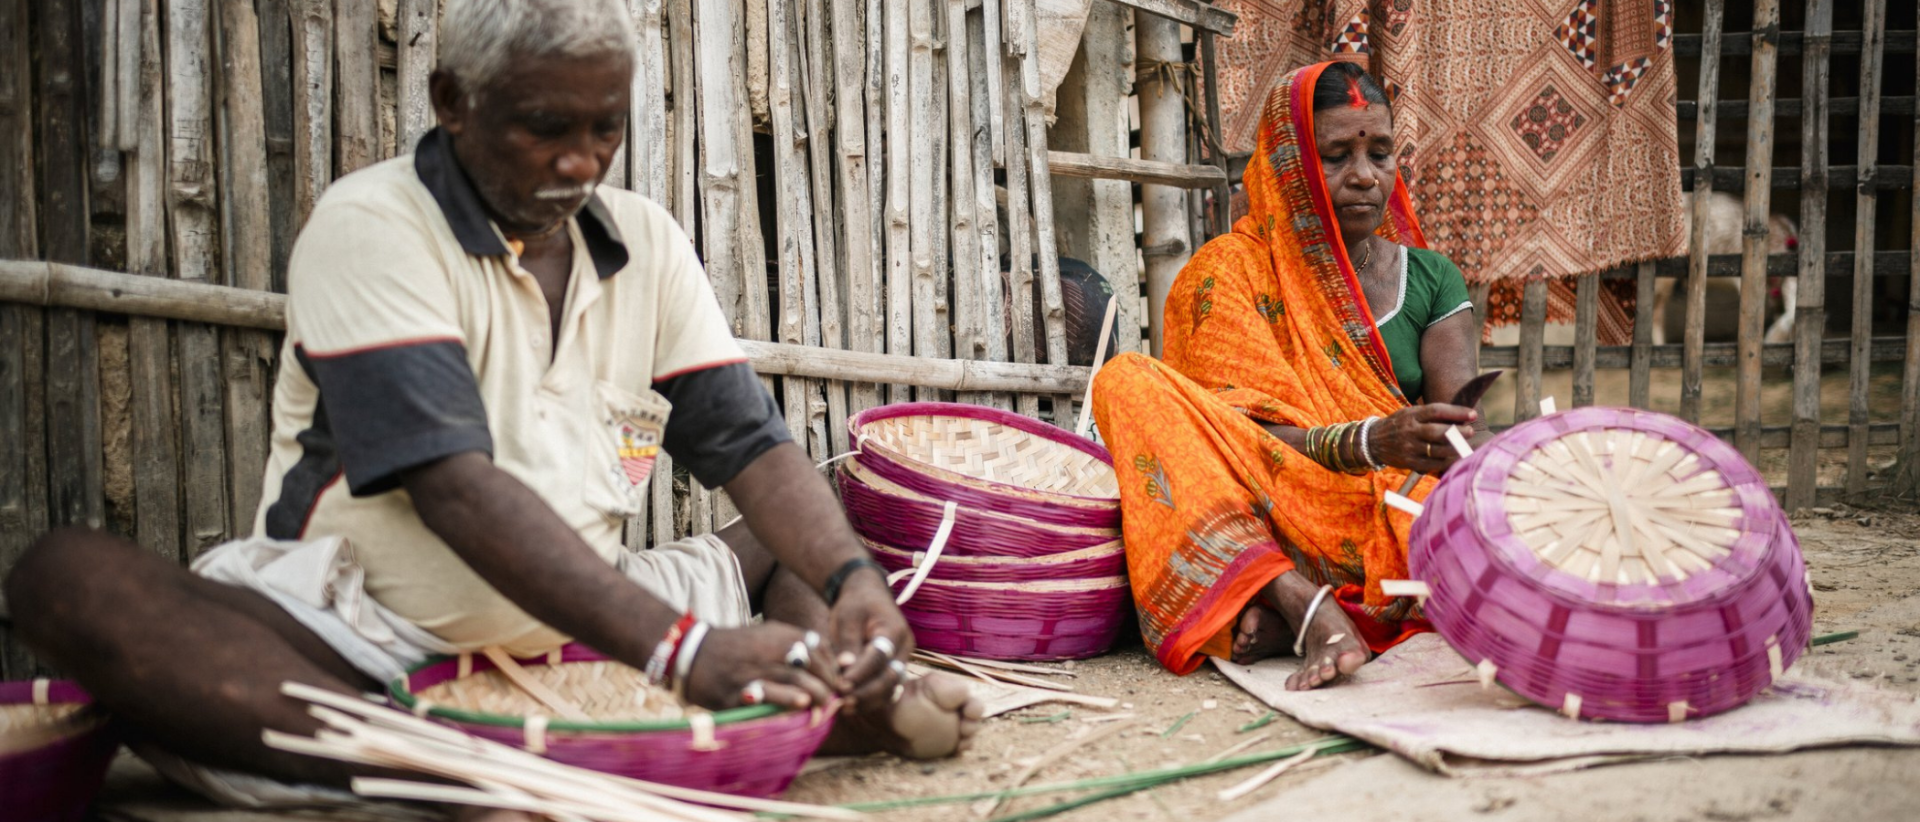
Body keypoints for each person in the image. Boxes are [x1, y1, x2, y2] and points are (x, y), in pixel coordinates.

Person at [3, 0, 978, 809]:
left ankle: (825, 687)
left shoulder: (644, 241)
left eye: (605, 128)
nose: (580, 161)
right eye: (545, 127)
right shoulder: (374, 227)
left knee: (814, 514)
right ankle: (457, 760)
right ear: (452, 103)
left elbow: (748, 445)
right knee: (66, 580)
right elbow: (454, 490)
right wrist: (682, 652)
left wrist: (854, 583)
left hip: (599, 621)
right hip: (365, 633)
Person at [1090, 61, 1484, 692]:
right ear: (1289, 168)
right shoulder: (1226, 272)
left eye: (1380, 153)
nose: (1364, 176)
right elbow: (1231, 438)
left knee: (1468, 514)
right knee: (1126, 381)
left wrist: (1431, 442)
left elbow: (1467, 443)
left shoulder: (1432, 277)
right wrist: (1368, 441)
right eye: (1335, 156)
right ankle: (1302, 600)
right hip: (1267, 513)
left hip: (1388, 525)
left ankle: (1291, 609)